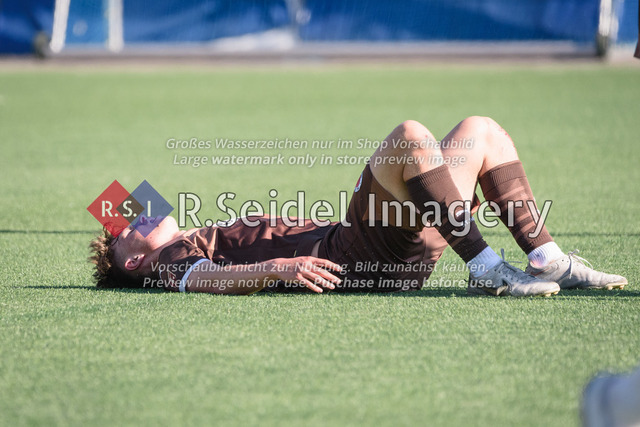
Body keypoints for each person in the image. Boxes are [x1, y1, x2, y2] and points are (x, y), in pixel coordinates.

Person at [89, 117, 627, 296]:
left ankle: (547, 258)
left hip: (378, 247)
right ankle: (486, 267)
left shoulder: (179, 234)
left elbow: (127, 210)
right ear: (134, 259)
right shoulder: (165, 262)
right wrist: (278, 268)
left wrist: (124, 225)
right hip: (350, 254)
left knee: (481, 131)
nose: (140, 215)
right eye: (132, 226)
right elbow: (204, 279)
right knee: (410, 136)